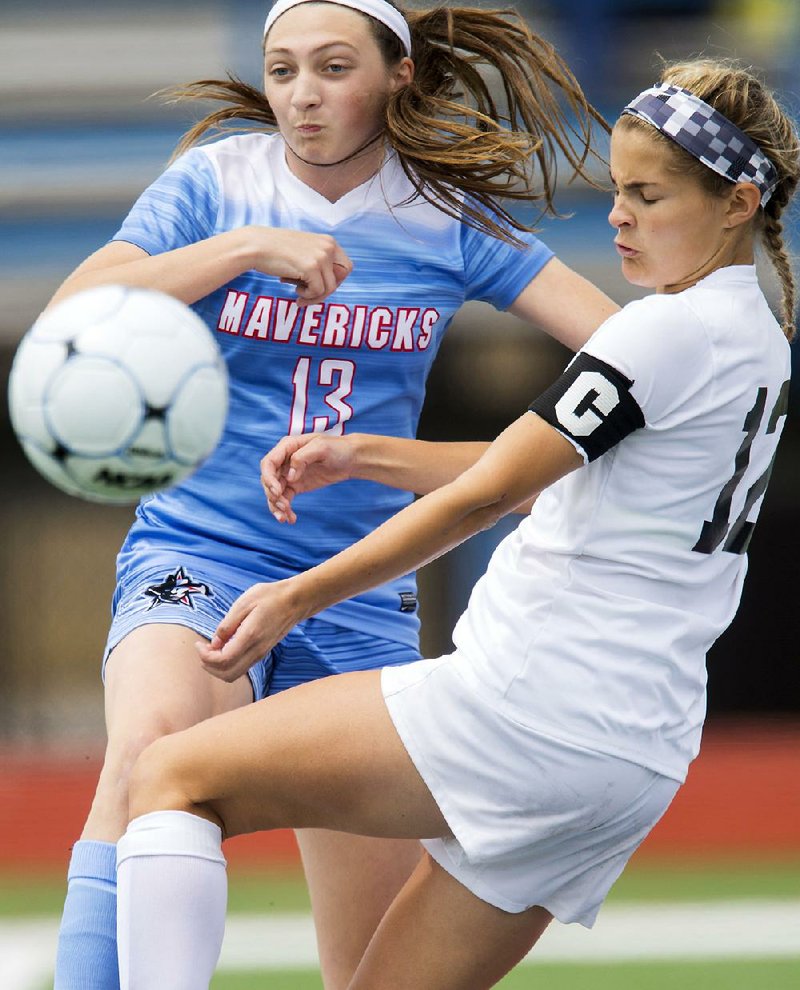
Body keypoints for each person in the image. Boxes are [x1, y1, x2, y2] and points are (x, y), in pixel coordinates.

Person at [111, 57, 797, 988]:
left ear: (738, 202)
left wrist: (295, 598)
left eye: (649, 194)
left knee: (170, 775)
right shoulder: (757, 340)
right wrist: (365, 454)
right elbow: (536, 476)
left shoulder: (657, 332)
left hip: (526, 710)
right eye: (616, 189)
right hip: (633, 758)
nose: (618, 216)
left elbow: (483, 498)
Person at [50, 2, 619, 988]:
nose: (301, 95)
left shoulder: (440, 221)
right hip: (199, 555)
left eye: (331, 67)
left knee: (366, 971)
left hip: (352, 591)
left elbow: (624, 358)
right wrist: (240, 253)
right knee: (150, 755)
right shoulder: (217, 182)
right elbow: (76, 315)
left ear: (397, 75)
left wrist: (503, 466)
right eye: (281, 70)